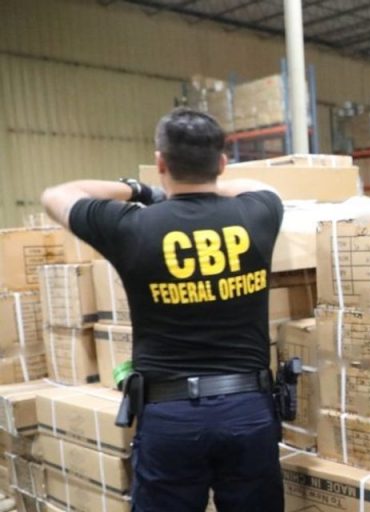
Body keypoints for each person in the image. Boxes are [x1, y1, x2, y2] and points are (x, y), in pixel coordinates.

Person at [41, 108, 285, 512]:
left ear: (160, 163)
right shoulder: (258, 215)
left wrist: (140, 191)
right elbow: (259, 187)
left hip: (171, 418)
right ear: (222, 163)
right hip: (247, 412)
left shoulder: (131, 226)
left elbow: (57, 195)